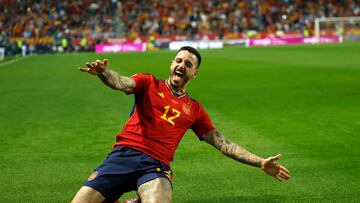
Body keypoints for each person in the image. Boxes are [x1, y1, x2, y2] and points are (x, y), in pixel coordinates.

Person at [72, 46, 290, 203]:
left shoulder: (194, 109)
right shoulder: (148, 83)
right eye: (178, 60)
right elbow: (120, 82)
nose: (181, 65)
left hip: (155, 167)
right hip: (122, 157)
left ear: (194, 73)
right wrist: (103, 73)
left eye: (188, 64)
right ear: (171, 64)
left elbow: (224, 145)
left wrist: (260, 162)